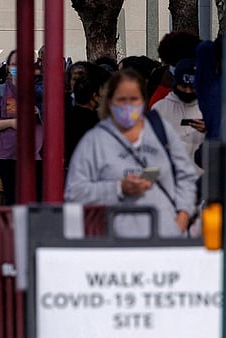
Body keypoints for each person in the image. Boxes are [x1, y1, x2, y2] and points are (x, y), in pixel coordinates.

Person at [64, 70, 198, 238]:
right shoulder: (95, 141)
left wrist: (183, 215)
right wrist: (118, 188)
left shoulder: (161, 131)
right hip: (115, 243)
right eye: (121, 100)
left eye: (134, 99)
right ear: (109, 102)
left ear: (143, 101)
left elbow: (185, 174)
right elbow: (74, 192)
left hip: (165, 238)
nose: (128, 106)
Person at [0, 49, 44, 205]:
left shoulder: (40, 92)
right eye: (14, 64)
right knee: (12, 197)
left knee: (36, 199)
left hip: (36, 155)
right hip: (8, 155)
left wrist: (39, 111)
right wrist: (10, 123)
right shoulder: (1, 91)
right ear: (8, 67)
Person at [152, 58, 205, 173]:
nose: (187, 92)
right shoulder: (160, 108)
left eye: (192, 88)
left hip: (201, 179)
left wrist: (209, 130)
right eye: (184, 87)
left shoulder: (208, 108)